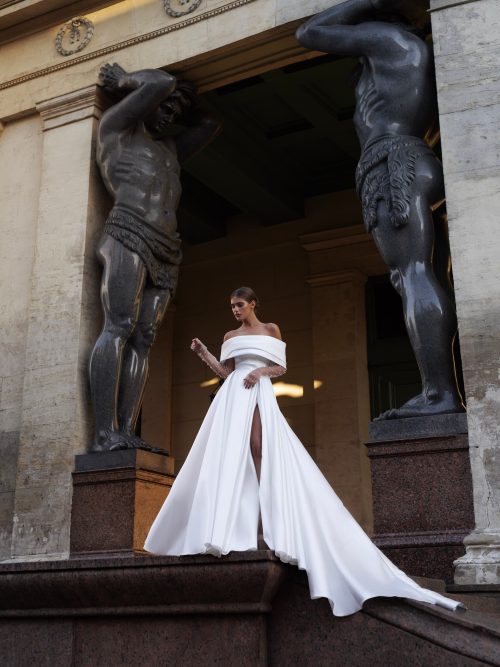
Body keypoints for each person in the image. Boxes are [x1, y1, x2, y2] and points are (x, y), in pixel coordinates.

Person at [144, 287, 462, 617]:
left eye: (240, 305)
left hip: (258, 392)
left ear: (253, 303)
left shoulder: (271, 330)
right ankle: (236, 525)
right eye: (232, 306)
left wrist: (259, 371)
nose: (235, 310)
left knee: (259, 447)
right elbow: (226, 373)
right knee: (230, 457)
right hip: (233, 397)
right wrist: (204, 353)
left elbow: (280, 368)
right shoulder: (230, 334)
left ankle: (271, 515)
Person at [296, 0, 465, 419]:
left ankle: (438, 394)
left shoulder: (387, 38)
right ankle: (445, 389)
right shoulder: (419, 53)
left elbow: (309, 32)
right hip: (419, 158)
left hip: (392, 162)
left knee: (411, 274)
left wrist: (366, 2)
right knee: (428, 273)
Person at [90, 63, 221, 452]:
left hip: (167, 245)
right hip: (128, 231)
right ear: (141, 102)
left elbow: (211, 122)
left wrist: (184, 100)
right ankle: (103, 432)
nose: (169, 115)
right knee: (120, 325)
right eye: (164, 107)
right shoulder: (116, 130)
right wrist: (127, 82)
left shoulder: (169, 150)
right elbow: (161, 81)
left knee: (144, 338)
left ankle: (127, 431)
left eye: (176, 112)